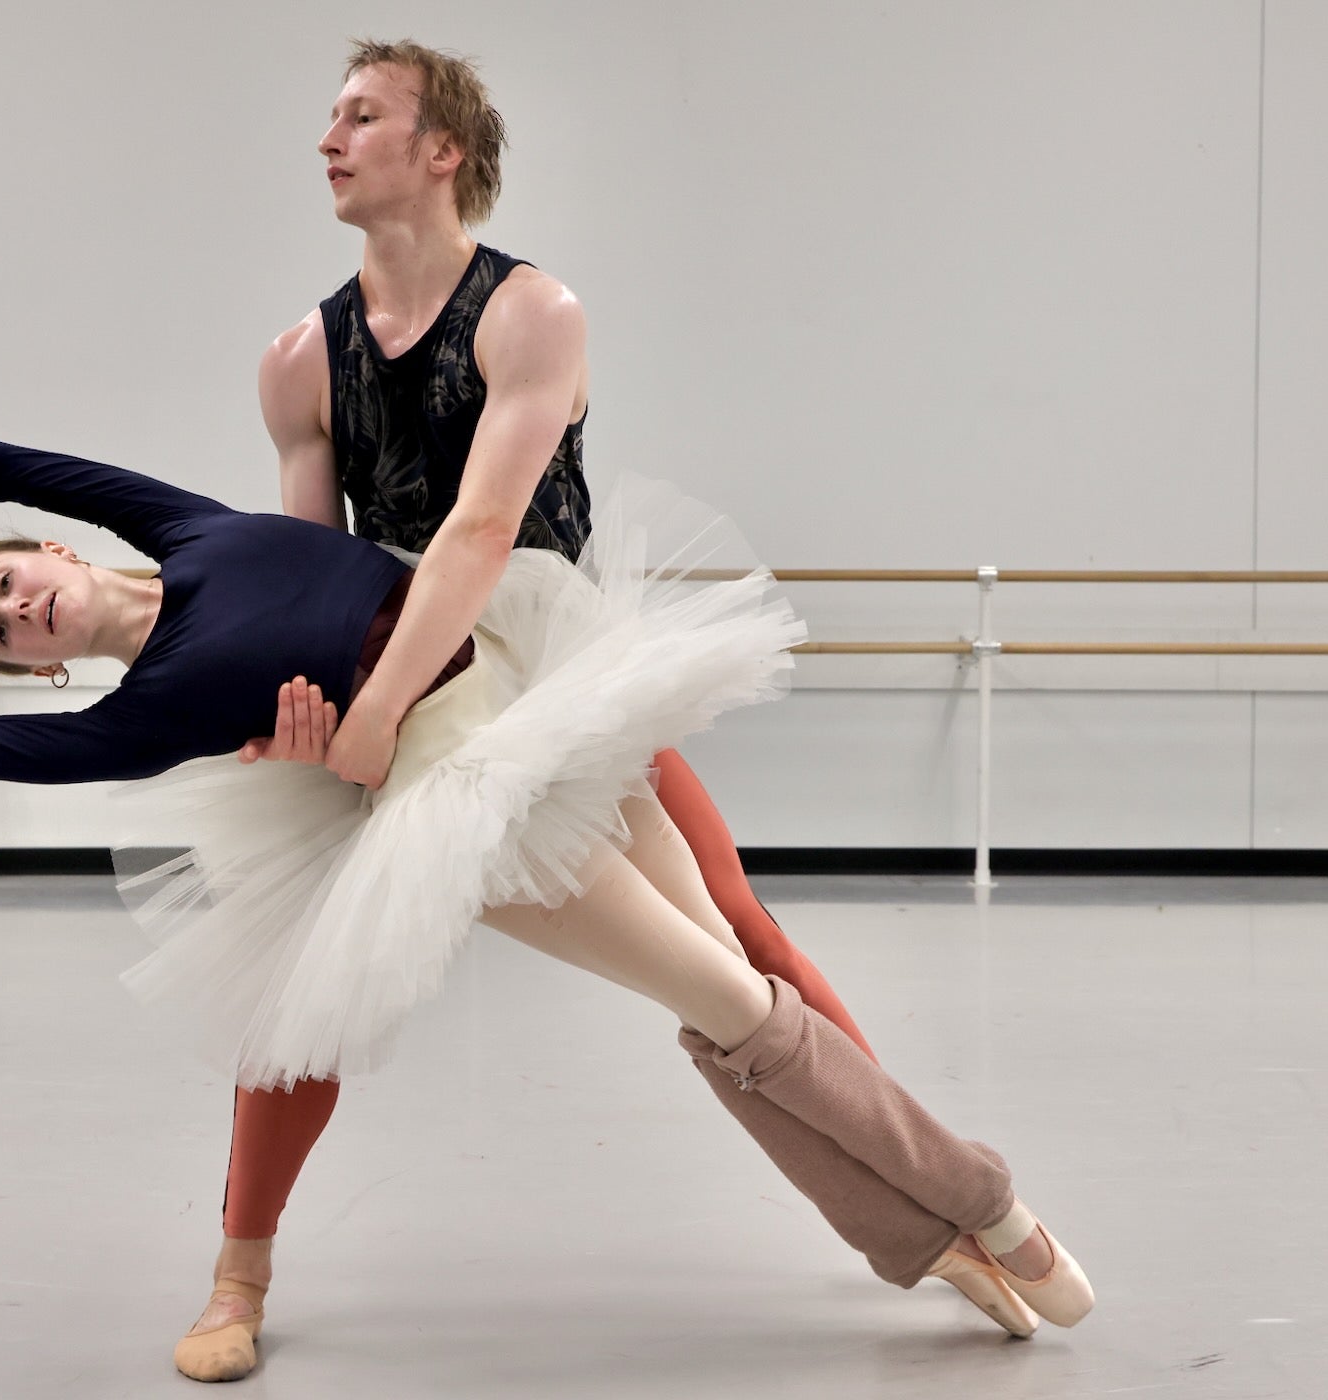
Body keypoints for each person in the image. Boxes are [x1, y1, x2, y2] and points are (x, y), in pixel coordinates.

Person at [0, 431, 1092, 1379]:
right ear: (30, 669)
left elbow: (13, 462)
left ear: (55, 558)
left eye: (7, 584)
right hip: (466, 797)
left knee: (736, 981)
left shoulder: (184, 528)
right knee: (725, 1002)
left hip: (550, 700)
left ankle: (913, 1232)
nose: (13, 615)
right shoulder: (135, 716)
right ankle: (985, 1200)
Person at [182, 39, 880, 1381]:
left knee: (735, 934)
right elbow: (312, 572)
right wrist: (340, 720)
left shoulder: (531, 312)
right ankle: (236, 1276)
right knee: (298, 979)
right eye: (329, 116)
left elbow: (486, 528)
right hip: (396, 688)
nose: (330, 137)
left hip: (547, 681)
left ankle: (938, 1190)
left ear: (442, 150)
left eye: (363, 115)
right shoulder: (298, 362)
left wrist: (379, 708)